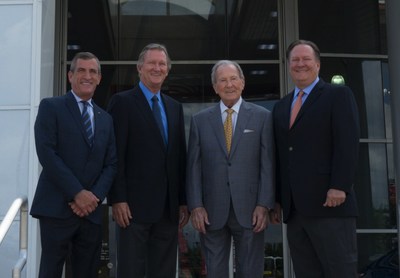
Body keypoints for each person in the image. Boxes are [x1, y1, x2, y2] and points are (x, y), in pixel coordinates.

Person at [271, 39, 360, 277]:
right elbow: (281, 155)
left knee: (340, 270)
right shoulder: (281, 106)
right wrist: (279, 199)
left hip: (330, 204)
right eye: (295, 60)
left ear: (318, 65)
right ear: (289, 66)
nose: (300, 64)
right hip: (296, 211)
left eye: (306, 59)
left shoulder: (338, 95)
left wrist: (339, 186)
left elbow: (347, 144)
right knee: (306, 272)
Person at [30, 52, 117, 278]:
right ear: (70, 76)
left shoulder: (105, 118)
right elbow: (47, 154)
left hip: (91, 212)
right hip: (57, 208)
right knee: (51, 271)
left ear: (99, 78)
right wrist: (77, 193)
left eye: (92, 72)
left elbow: (111, 164)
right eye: (81, 70)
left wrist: (93, 197)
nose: (87, 76)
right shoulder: (51, 107)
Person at [186, 60, 275, 277]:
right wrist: (196, 205)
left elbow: (268, 164)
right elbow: (193, 168)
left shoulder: (263, 117)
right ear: (215, 87)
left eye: (233, 79)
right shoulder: (199, 121)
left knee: (250, 271)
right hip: (211, 210)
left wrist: (264, 204)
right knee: (215, 271)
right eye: (223, 80)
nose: (229, 85)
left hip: (251, 209)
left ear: (242, 83)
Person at [107, 43, 189, 278]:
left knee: (163, 271)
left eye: (162, 64)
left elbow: (178, 158)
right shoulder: (122, 103)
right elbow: (116, 154)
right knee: (131, 270)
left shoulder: (174, 107)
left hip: (168, 209)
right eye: (152, 63)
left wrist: (182, 200)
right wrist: (118, 198)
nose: (157, 67)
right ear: (139, 68)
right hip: (132, 209)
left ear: (168, 70)